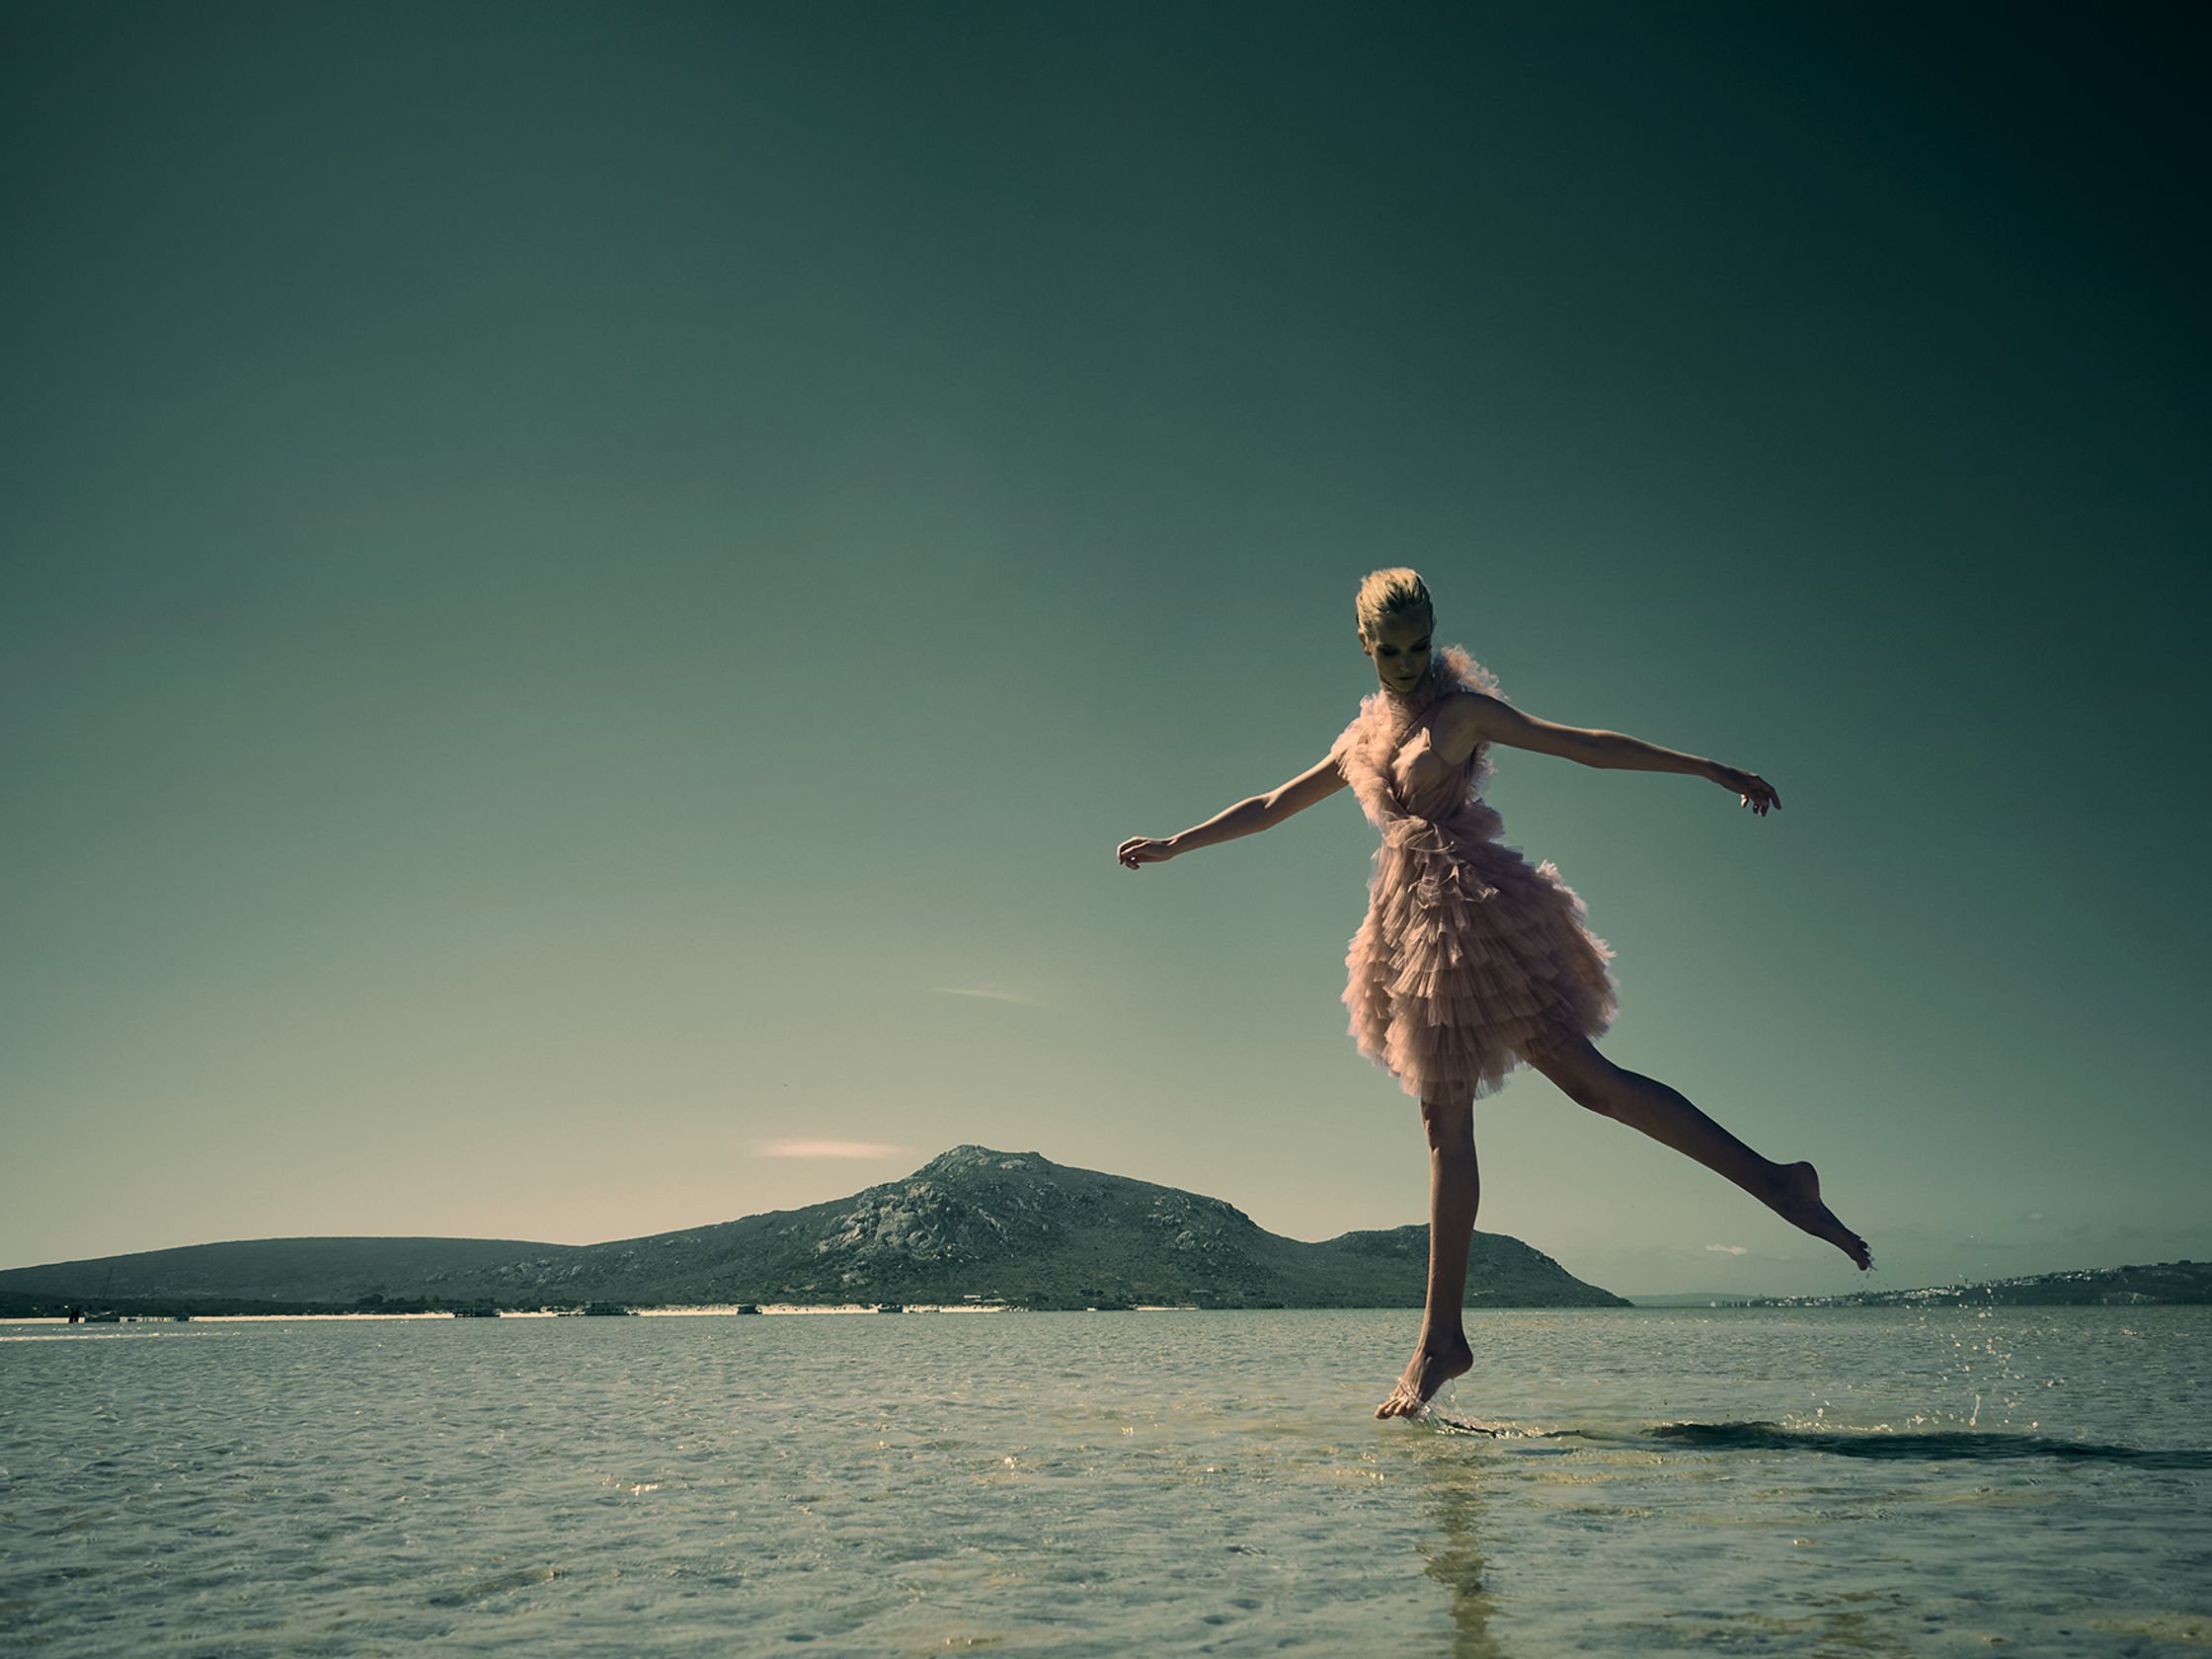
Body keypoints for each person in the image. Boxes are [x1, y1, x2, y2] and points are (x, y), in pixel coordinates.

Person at [1116, 568, 1870, 1420]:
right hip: (1410, 932)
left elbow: (1583, 744)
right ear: (1364, 647)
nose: (1405, 664)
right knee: (1447, 1125)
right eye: (1388, 650)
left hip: (1475, 918)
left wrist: (1708, 768)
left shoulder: (1462, 712)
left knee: (1591, 1084)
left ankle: (1777, 1183)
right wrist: (1176, 843)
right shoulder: (1360, 738)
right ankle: (1444, 1338)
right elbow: (1268, 805)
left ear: (1433, 637)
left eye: (1417, 646)